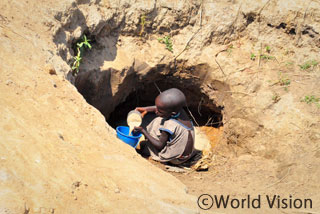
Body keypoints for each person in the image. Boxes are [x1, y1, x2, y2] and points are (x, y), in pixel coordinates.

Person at [134, 88, 195, 165]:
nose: (156, 111)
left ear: (172, 113)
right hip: (186, 154)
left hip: (176, 159)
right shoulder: (180, 112)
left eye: (159, 111)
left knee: (155, 124)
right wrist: (146, 109)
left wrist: (143, 131)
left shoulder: (170, 125)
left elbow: (159, 146)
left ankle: (149, 151)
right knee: (159, 119)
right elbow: (162, 108)